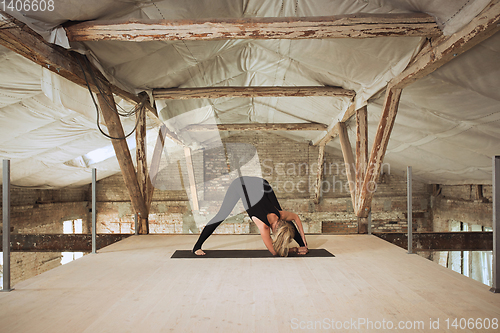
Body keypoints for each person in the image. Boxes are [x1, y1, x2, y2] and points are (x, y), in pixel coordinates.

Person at [193, 176, 308, 256]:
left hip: (262, 183)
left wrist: (304, 243)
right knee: (222, 215)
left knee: (280, 210)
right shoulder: (264, 226)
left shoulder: (281, 215)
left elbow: (296, 218)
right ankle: (196, 247)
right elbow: (274, 252)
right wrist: (296, 249)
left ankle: (303, 244)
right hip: (240, 184)